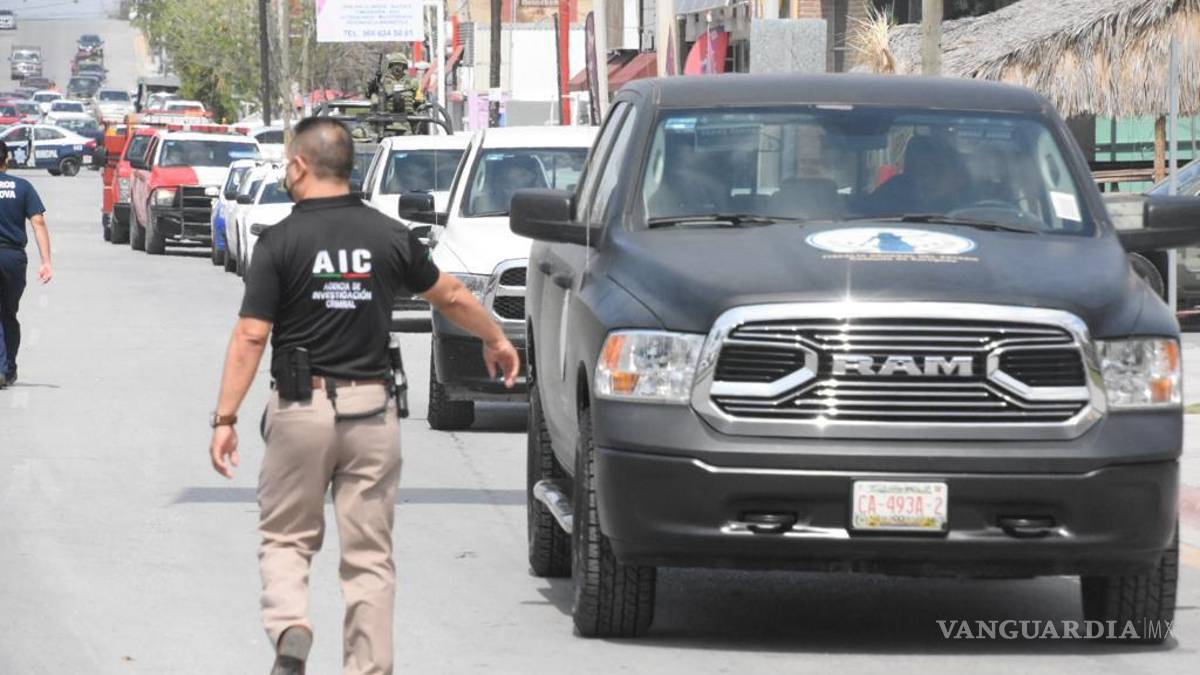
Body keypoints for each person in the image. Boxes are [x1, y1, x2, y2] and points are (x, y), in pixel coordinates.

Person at [206, 117, 519, 675]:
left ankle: (291, 626)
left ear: (299, 165)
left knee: (286, 538)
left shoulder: (279, 241)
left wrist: (225, 418)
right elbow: (449, 294)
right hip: (372, 411)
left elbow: (251, 335)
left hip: (300, 408)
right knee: (369, 558)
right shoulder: (388, 235)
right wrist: (495, 338)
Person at [0, 143, 52, 389]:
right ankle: (8, 368)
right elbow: (38, 222)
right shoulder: (22, 187)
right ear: (7, 160)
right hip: (13, 258)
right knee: (8, 313)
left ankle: (3, 368)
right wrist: (46, 261)